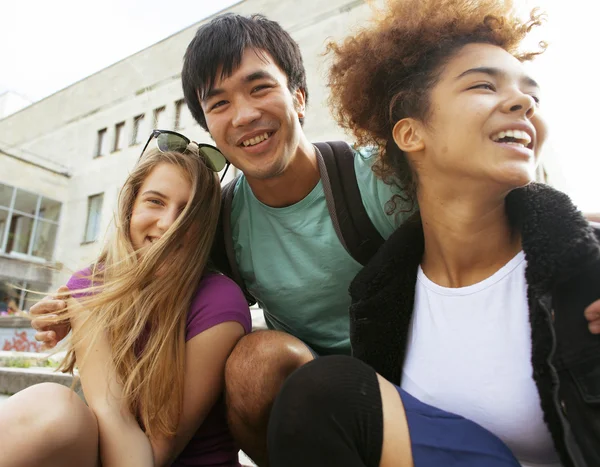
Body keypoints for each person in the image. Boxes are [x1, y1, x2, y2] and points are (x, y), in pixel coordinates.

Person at [30, 11, 600, 466]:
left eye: (260, 88)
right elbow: (157, 269)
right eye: (220, 103)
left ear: (298, 97)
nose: (246, 114)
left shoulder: (381, 178)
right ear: (210, 129)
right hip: (312, 405)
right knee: (257, 358)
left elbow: (494, 192)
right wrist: (81, 303)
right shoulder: (223, 221)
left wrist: (587, 266)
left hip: (411, 381)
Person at [267, 1, 600, 466]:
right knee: (324, 391)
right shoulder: (381, 301)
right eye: (484, 85)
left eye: (532, 97)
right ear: (410, 134)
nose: (523, 103)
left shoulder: (586, 269)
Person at [0, 131, 251, 467]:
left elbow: (158, 450)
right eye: (155, 201)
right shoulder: (88, 285)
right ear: (129, 204)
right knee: (54, 407)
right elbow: (104, 416)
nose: (168, 225)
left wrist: (87, 322)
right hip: (107, 451)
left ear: (204, 227)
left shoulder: (218, 300)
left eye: (188, 213)